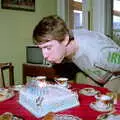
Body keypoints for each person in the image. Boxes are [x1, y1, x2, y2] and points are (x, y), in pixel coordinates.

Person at [32, 15, 120, 85]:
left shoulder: (98, 53)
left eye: (48, 48)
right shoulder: (64, 39)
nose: (44, 56)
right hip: (98, 76)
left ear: (65, 40)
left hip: (115, 77)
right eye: (42, 49)